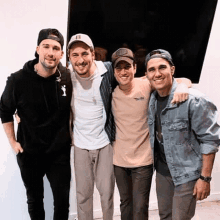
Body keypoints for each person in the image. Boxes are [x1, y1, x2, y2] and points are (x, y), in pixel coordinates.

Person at [111, 48, 191, 220]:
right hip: (119, 160)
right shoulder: (111, 92)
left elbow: (181, 79)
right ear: (114, 71)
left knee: (140, 206)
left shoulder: (146, 84)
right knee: (125, 204)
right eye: (119, 68)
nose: (123, 72)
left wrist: (183, 86)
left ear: (134, 67)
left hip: (143, 161)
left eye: (127, 66)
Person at [0, 28, 72, 220]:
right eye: (46, 46)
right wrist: (13, 143)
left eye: (56, 48)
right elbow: (5, 111)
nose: (51, 52)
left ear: (61, 53)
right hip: (30, 153)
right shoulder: (18, 80)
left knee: (62, 202)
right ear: (37, 49)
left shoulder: (67, 78)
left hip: (59, 154)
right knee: (35, 200)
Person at [145, 49, 220, 220]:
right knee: (165, 215)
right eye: (152, 69)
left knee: (180, 218)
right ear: (147, 75)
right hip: (163, 171)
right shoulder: (152, 98)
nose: (157, 73)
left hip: (187, 173)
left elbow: (210, 140)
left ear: (172, 70)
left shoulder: (194, 100)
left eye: (162, 67)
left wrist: (205, 178)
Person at [67, 33, 116, 220]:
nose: (80, 60)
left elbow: (141, 80)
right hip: (80, 143)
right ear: (69, 57)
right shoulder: (65, 75)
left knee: (107, 194)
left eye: (85, 54)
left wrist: (184, 85)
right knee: (83, 195)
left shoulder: (108, 71)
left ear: (93, 54)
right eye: (75, 55)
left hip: (104, 142)